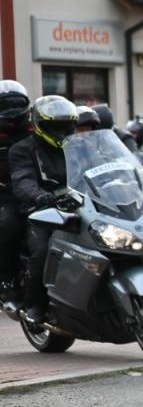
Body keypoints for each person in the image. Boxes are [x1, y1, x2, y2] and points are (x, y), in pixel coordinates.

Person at [10, 96, 77, 324]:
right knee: (42, 250)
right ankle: (34, 304)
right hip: (42, 212)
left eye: (66, 126)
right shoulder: (22, 150)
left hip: (78, 207)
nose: (62, 132)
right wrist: (39, 195)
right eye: (55, 126)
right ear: (40, 125)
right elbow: (22, 180)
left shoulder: (77, 146)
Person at [0, 80, 31, 306]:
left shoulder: (37, 130)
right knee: (8, 224)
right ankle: (7, 280)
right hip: (6, 195)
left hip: (35, 190)